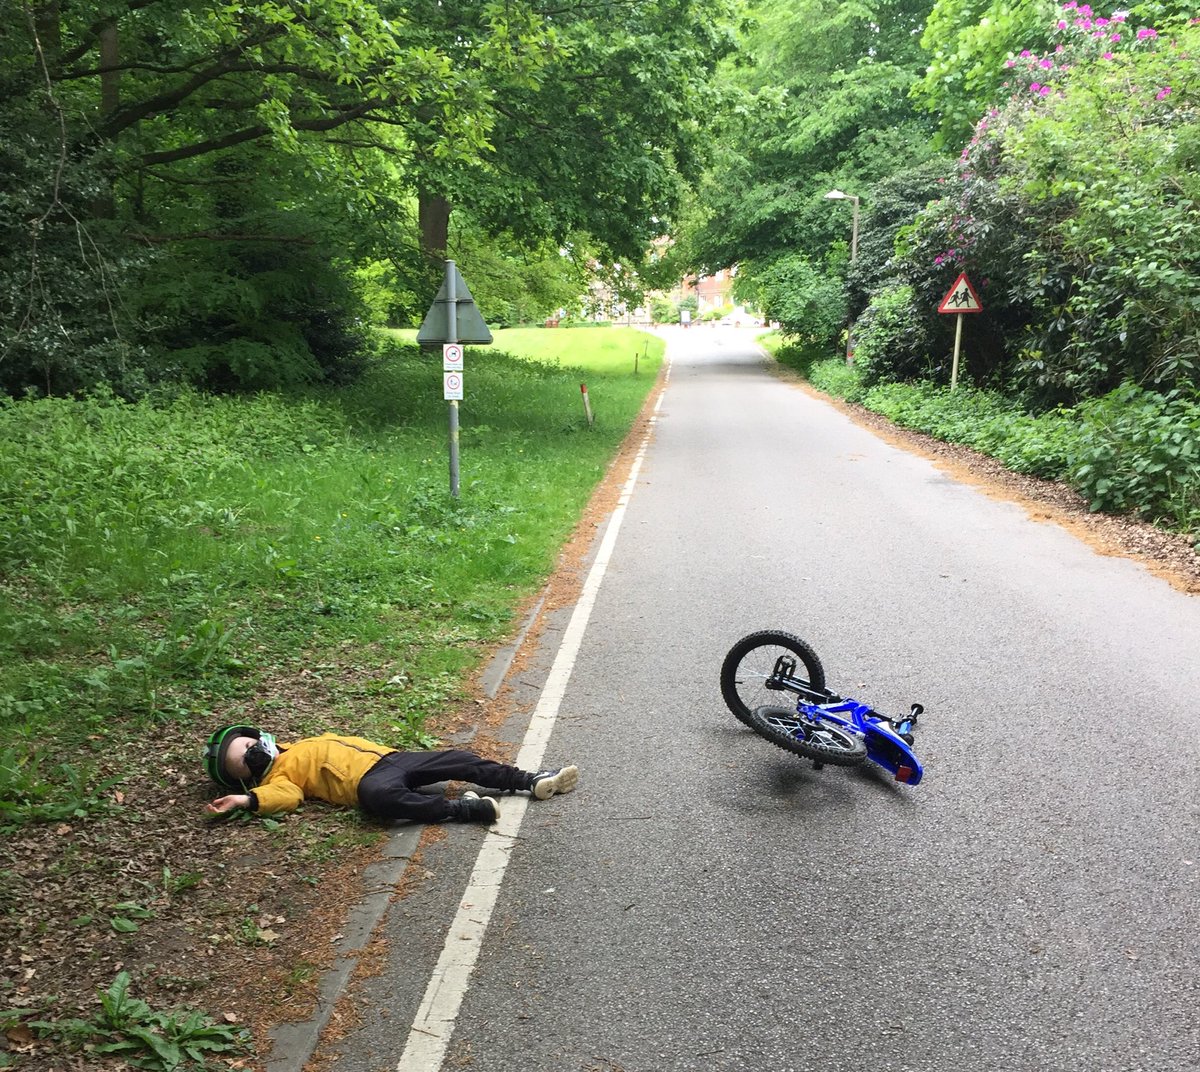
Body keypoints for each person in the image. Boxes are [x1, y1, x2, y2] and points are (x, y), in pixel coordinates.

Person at [202, 724, 578, 825]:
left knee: (459, 759)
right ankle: (464, 811)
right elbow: (289, 798)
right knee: (379, 801)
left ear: (260, 736)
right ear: (245, 777)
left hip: (394, 759)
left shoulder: (298, 744)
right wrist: (249, 800)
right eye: (244, 760)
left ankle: (529, 779)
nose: (252, 754)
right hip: (369, 782)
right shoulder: (278, 778)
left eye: (250, 745)